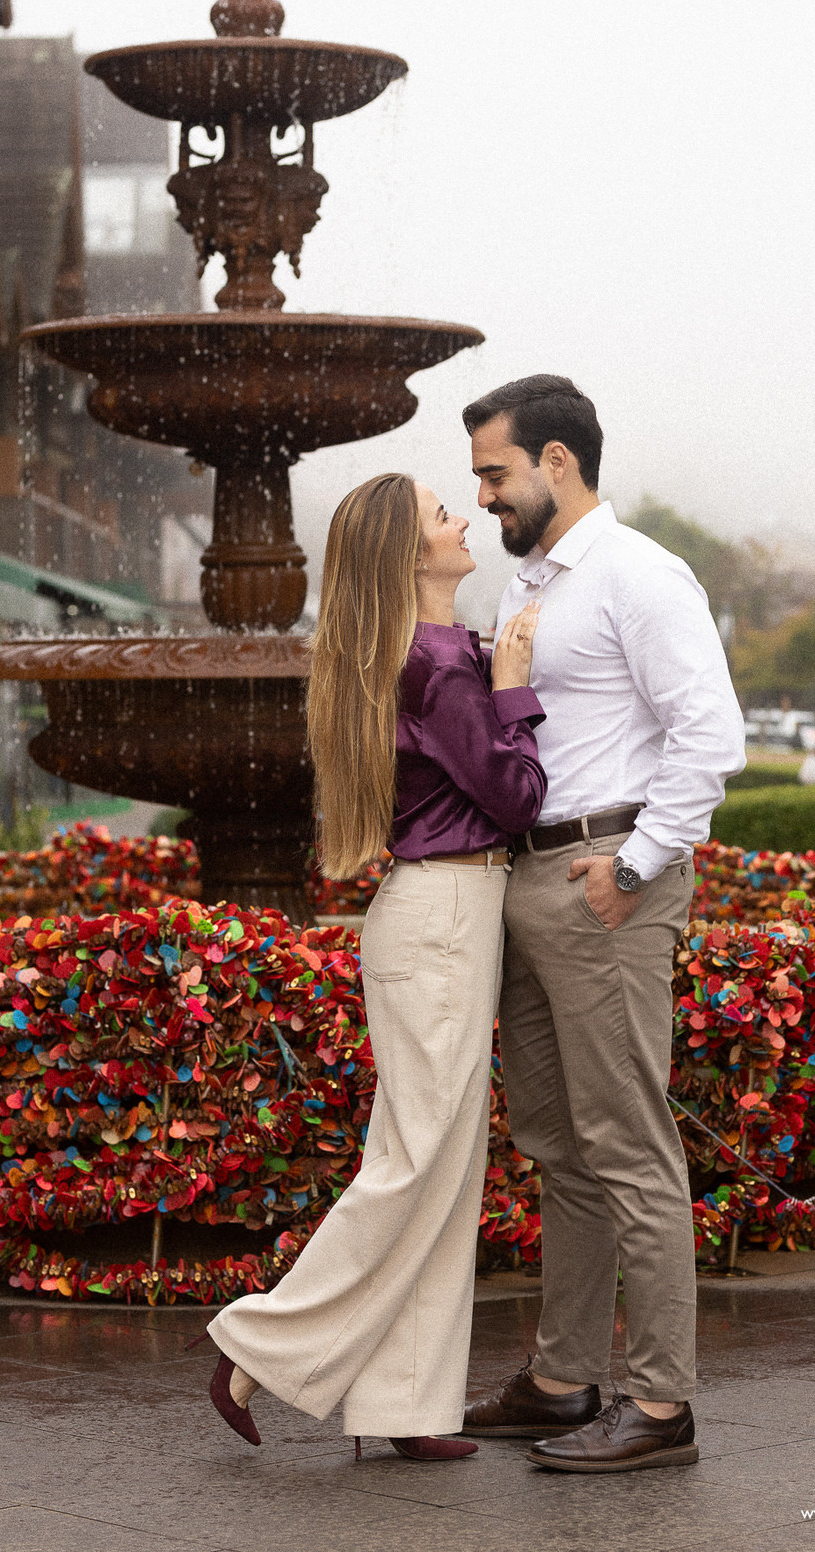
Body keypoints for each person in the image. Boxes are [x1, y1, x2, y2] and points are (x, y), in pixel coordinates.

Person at [205, 473, 546, 1462]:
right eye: (443, 514)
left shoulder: (418, 655)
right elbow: (517, 799)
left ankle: (403, 1401)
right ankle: (252, 1344)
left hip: (439, 914)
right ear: (409, 554)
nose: (463, 519)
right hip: (442, 913)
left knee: (439, 1166)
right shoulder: (438, 664)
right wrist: (514, 686)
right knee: (415, 1166)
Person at [461, 375, 746, 1475]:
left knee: (628, 1144)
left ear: (558, 464)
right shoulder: (525, 589)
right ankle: (563, 1380)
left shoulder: (641, 574)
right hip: (531, 881)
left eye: (495, 472)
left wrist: (632, 869)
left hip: (605, 879)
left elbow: (707, 737)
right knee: (557, 1146)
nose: (484, 495)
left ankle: (664, 1405)